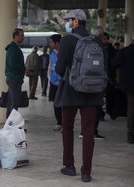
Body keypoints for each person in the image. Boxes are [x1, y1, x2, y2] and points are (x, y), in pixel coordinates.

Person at [54, 9, 106, 182]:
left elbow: (59, 69)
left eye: (69, 21)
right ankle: (86, 172)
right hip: (93, 92)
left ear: (76, 22)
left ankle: (69, 165)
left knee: (67, 127)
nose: (67, 24)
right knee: (88, 131)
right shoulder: (97, 41)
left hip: (71, 91)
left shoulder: (67, 40)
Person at [79, 26, 106, 140]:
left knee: (86, 107)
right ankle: (92, 131)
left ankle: (83, 131)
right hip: (98, 81)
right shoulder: (101, 45)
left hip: (85, 80)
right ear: (100, 35)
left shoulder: (83, 43)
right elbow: (106, 64)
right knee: (96, 107)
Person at [111, 33, 134, 144]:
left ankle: (131, 135)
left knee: (131, 108)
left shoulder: (125, 51)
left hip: (129, 84)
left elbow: (114, 63)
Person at [5, 28, 29, 118]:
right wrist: (23, 69)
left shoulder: (14, 48)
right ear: (16, 36)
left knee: (11, 102)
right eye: (21, 35)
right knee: (15, 102)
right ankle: (11, 125)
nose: (23, 37)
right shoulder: (13, 49)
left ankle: (10, 124)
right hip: (14, 78)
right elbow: (12, 64)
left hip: (14, 78)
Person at [47, 34, 62, 131]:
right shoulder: (52, 55)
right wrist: (50, 79)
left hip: (63, 83)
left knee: (63, 104)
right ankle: (59, 122)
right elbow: (49, 68)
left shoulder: (65, 53)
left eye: (51, 42)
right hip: (54, 83)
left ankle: (65, 123)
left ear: (57, 43)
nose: (50, 44)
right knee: (55, 103)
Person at [102, 32, 117, 120]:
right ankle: (100, 114)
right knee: (100, 96)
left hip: (109, 76)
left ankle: (110, 110)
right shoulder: (97, 48)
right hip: (100, 75)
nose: (106, 40)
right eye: (104, 38)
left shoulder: (111, 49)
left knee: (110, 94)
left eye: (107, 39)